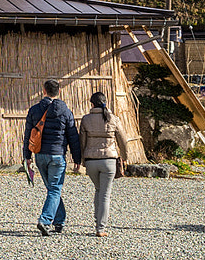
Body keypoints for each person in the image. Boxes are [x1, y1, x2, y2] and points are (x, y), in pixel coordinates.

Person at [22, 78, 82, 236]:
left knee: (52, 189)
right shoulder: (65, 111)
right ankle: (45, 220)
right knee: (54, 189)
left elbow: (28, 134)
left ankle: (59, 221)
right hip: (57, 155)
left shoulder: (34, 110)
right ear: (59, 91)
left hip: (40, 155)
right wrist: (77, 159)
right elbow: (73, 137)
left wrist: (27, 156)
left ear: (44, 91)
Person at [79, 91, 130, 237]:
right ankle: (100, 228)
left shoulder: (86, 119)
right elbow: (123, 141)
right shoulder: (113, 119)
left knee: (98, 189)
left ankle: (97, 221)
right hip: (109, 161)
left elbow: (82, 141)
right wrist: (125, 157)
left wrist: (83, 160)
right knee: (105, 194)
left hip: (91, 162)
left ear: (92, 104)